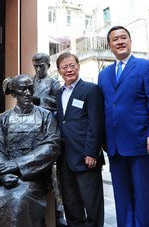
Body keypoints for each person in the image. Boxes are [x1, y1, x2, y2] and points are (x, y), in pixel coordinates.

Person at [0, 74, 61, 227]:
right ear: (13, 93)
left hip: (35, 176)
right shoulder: (3, 119)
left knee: (19, 197)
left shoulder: (46, 116)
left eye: (31, 89)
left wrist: (18, 165)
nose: (28, 93)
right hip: (6, 175)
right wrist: (3, 175)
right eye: (23, 89)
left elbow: (52, 147)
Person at [98, 26, 149, 226]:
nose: (120, 42)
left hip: (141, 142)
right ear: (110, 45)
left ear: (130, 40)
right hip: (115, 146)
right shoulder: (104, 74)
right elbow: (104, 108)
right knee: (122, 195)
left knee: (143, 194)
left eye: (123, 37)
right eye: (115, 39)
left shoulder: (146, 67)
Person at [55, 52, 105, 227]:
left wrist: (92, 153)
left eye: (72, 65)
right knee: (71, 204)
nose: (69, 70)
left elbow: (96, 124)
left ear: (78, 66)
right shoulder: (58, 93)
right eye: (64, 67)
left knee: (92, 205)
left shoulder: (91, 89)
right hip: (65, 160)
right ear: (59, 71)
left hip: (86, 158)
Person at [31, 52, 66, 227]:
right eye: (35, 65)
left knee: (53, 174)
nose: (38, 69)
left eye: (41, 66)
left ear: (48, 65)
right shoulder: (30, 81)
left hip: (48, 129)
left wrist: (39, 99)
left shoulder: (53, 82)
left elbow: (57, 102)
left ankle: (57, 211)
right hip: (32, 130)